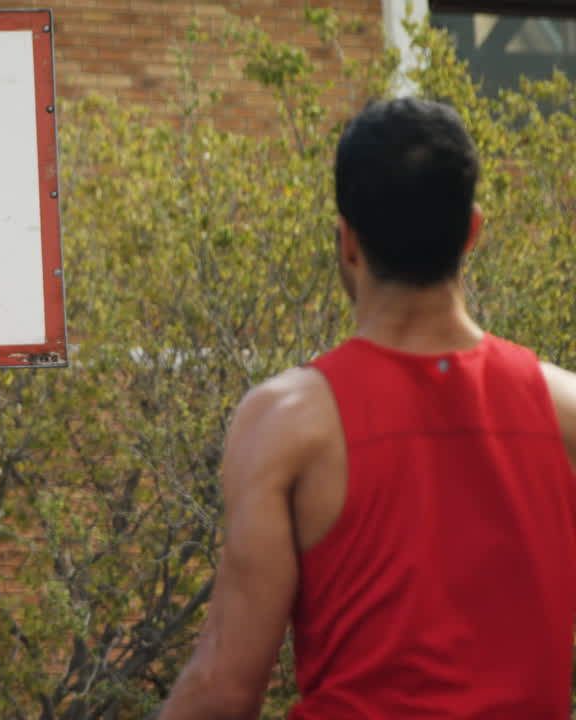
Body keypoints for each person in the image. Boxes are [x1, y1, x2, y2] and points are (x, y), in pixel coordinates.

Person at [156, 97, 576, 719]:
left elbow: (223, 688)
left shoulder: (286, 423)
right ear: (472, 230)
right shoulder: (564, 410)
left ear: (348, 241)